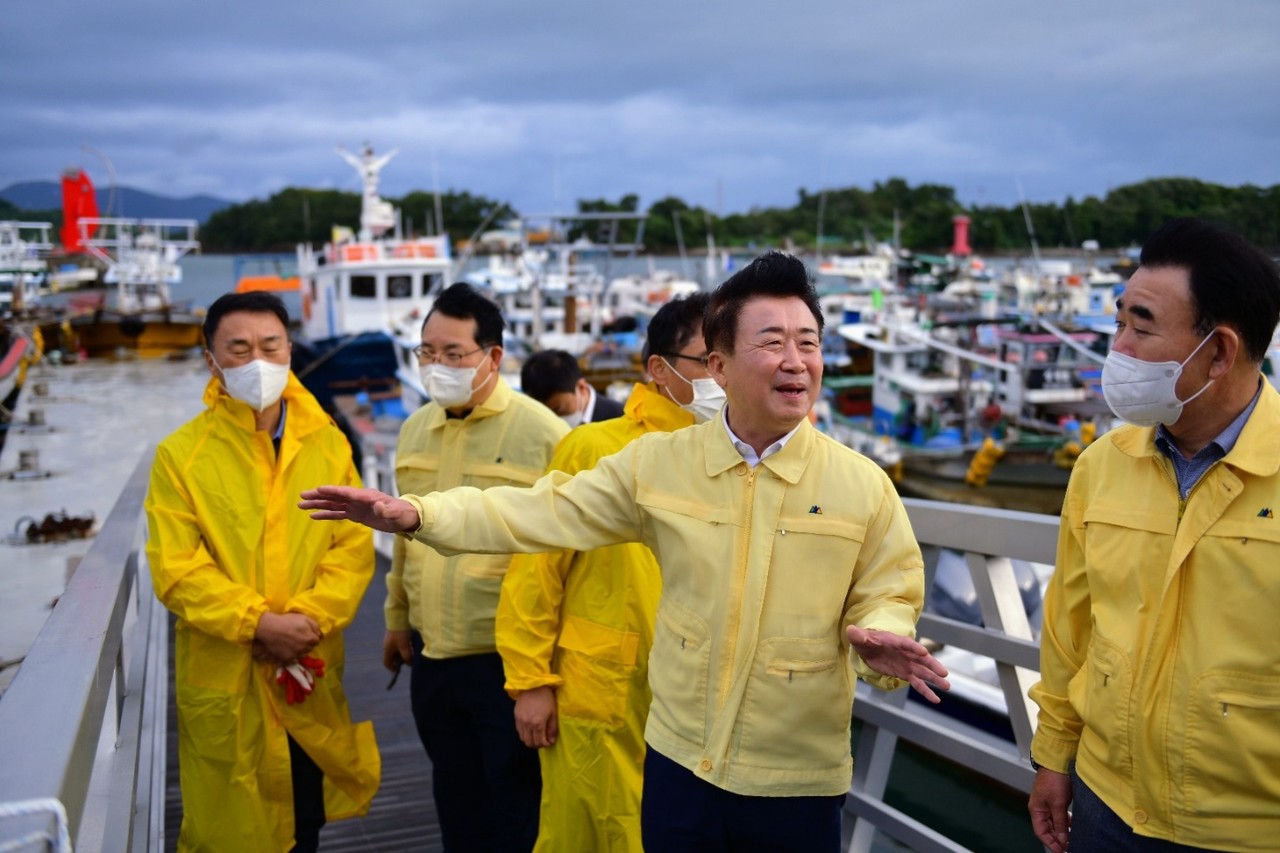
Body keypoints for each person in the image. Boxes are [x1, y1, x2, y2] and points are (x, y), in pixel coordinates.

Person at [303, 252, 950, 853]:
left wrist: (882, 639)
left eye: (808, 343)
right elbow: (538, 512)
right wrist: (421, 513)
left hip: (798, 775)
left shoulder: (861, 484)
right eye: (772, 342)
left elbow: (888, 593)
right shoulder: (659, 464)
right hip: (677, 762)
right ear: (719, 366)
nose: (795, 360)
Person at [1027, 218, 1280, 853]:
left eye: (1140, 327)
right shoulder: (1102, 465)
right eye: (1119, 323)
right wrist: (1054, 758)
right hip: (1106, 803)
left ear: (1218, 353)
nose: (1117, 348)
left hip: (1246, 830)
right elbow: (1069, 630)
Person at [146, 291, 378, 852]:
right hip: (230, 676)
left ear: (289, 350)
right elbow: (176, 568)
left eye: (270, 346)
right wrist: (257, 623)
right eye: (239, 348)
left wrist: (310, 618)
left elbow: (351, 546)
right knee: (232, 825)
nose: (258, 361)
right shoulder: (182, 456)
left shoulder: (326, 441)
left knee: (305, 815)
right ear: (212, 358)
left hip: (308, 662)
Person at [498, 292, 714, 851]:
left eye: (730, 357)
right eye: (707, 359)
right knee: (588, 831)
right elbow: (535, 568)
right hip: (603, 692)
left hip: (700, 702)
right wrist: (530, 683)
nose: (722, 374)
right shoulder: (593, 448)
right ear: (659, 370)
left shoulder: (736, 460)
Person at [384, 282, 569, 851]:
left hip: (506, 663)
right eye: (427, 352)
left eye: (453, 354)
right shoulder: (416, 429)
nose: (437, 365)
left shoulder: (545, 434)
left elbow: (564, 559)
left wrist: (538, 677)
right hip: (433, 654)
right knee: (457, 805)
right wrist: (396, 618)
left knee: (519, 812)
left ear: (493, 356)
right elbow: (403, 537)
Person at [519, 348, 624, 426]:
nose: (552, 420)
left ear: (581, 387)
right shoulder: (532, 425)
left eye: (559, 410)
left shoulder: (620, 418)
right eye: (544, 414)